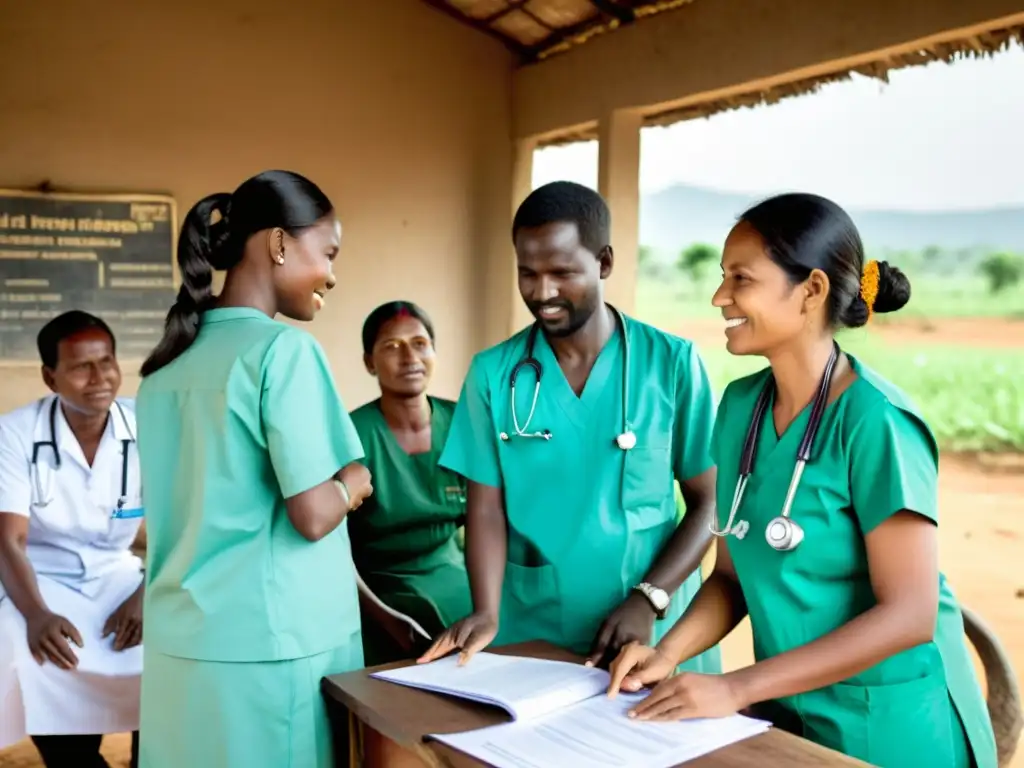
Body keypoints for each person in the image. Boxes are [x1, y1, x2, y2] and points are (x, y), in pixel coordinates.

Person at [606, 193, 997, 768]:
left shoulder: (876, 423)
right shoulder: (740, 407)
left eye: (741, 279)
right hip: (791, 712)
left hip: (892, 729)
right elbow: (733, 578)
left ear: (811, 290)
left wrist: (735, 689)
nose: (719, 297)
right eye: (722, 277)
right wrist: (668, 654)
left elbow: (909, 615)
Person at [419, 181, 721, 673]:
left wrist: (649, 598)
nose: (543, 292)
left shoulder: (671, 364)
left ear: (604, 262)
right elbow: (487, 510)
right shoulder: (494, 375)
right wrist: (486, 608)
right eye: (528, 273)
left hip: (654, 631)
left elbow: (710, 500)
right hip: (537, 631)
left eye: (562, 272)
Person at [133, 170, 373, 768]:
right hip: (274, 651)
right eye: (329, 253)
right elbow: (314, 514)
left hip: (181, 648)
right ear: (279, 244)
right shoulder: (281, 352)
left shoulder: (163, 369)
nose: (334, 275)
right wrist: (354, 483)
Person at [0, 310, 142, 768]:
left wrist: (146, 595)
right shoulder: (16, 433)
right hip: (41, 578)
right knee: (24, 645)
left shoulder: (148, 425)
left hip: (120, 575)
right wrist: (38, 614)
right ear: (50, 376)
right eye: (81, 366)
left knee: (168, 648)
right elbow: (8, 541)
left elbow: (185, 526)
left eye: (107, 362)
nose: (100, 378)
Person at [348, 301, 471, 666]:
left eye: (420, 343)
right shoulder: (351, 436)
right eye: (391, 346)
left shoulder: (464, 424)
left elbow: (491, 523)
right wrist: (385, 618)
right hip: (380, 590)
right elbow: (332, 549)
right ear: (369, 362)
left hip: (458, 575)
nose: (409, 357)